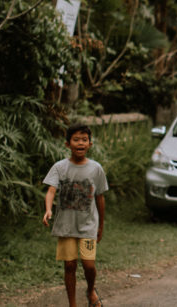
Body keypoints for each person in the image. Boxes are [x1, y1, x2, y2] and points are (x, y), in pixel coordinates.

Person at [43, 124, 108, 307]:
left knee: (89, 265)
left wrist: (101, 225)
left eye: (84, 140)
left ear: (90, 144)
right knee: (69, 265)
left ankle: (90, 290)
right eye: (76, 139)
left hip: (88, 226)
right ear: (67, 144)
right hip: (66, 226)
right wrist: (48, 209)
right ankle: (73, 304)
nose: (80, 143)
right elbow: (51, 190)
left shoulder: (96, 169)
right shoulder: (60, 167)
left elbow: (100, 198)